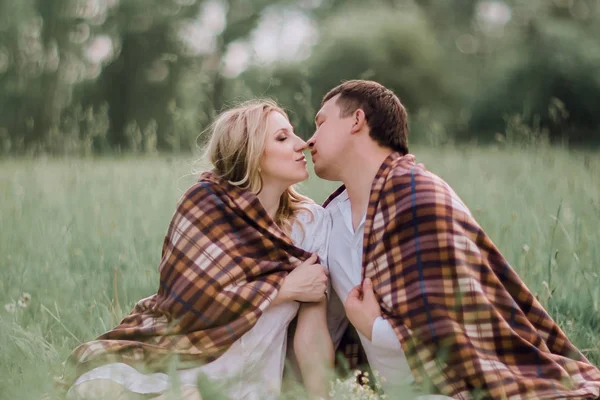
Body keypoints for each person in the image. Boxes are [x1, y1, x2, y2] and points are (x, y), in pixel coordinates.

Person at [308, 79, 600, 399]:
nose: (310, 139)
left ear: (357, 120)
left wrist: (373, 328)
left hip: (451, 389)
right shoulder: (330, 218)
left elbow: (454, 332)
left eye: (321, 122)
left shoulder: (418, 196)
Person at [65, 99, 333, 400]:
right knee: (95, 391)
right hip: (173, 358)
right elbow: (190, 304)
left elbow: (311, 335)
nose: (302, 144)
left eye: (294, 134)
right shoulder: (205, 204)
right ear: (252, 154)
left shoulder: (310, 224)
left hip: (247, 383)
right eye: (283, 138)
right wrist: (282, 289)